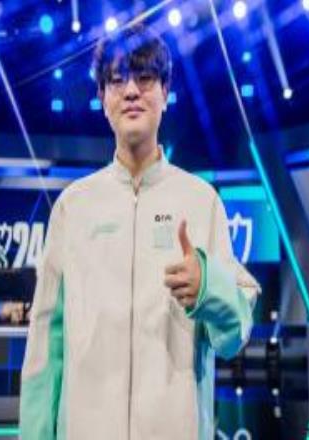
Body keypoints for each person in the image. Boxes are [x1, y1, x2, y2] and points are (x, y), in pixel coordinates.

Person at [19, 24, 260, 440]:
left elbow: (232, 337)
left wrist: (210, 288)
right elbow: (45, 346)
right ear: (102, 98)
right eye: (117, 80)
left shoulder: (201, 201)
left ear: (165, 92)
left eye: (145, 77)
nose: (131, 90)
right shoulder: (73, 207)